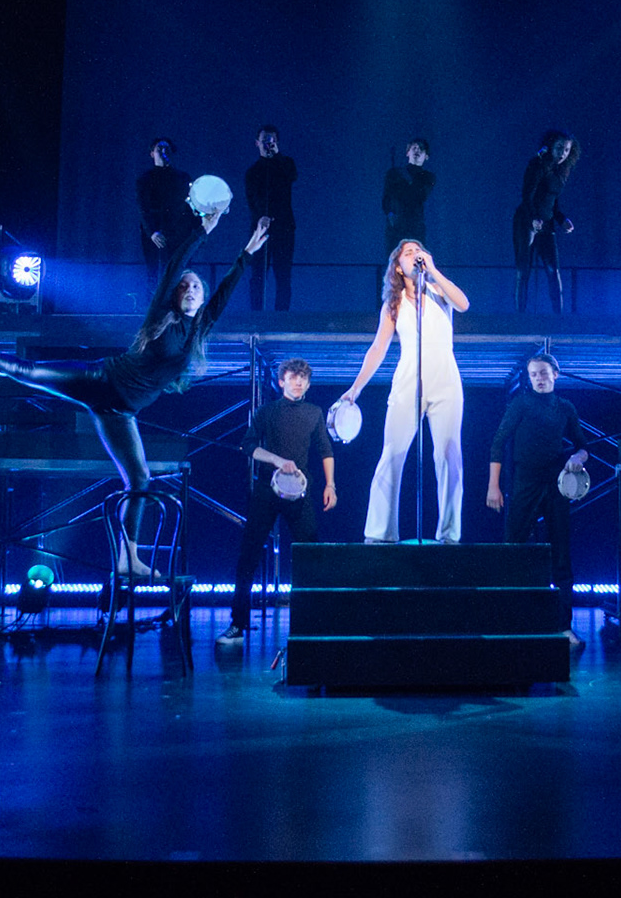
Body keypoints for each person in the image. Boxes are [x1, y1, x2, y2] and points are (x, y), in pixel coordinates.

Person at [0, 206, 270, 576]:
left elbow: (225, 291)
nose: (190, 289)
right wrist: (203, 230)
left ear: (201, 299)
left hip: (119, 413)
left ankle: (128, 558)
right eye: (184, 286)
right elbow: (174, 266)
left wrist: (247, 252)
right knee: (27, 371)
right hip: (99, 380)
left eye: (196, 286)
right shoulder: (160, 315)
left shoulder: (199, 328)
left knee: (140, 479)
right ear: (174, 294)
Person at [337, 240, 471, 543]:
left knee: (449, 455)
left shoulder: (439, 291)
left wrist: (433, 270)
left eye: (418, 250)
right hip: (409, 378)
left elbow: (463, 304)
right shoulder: (393, 304)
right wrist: (356, 387)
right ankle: (380, 532)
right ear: (398, 267)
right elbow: (378, 348)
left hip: (445, 378)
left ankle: (449, 534)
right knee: (393, 452)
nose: (415, 255)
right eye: (408, 252)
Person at [219, 358, 336, 645]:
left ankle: (313, 623)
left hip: (300, 493)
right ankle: (237, 624)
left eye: (303, 378)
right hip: (266, 491)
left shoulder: (314, 413)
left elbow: (325, 450)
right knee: (248, 555)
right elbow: (248, 445)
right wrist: (276, 460)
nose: (299, 382)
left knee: (310, 555)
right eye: (294, 377)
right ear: (282, 381)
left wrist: (330, 485)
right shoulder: (267, 411)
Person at [486, 352, 591, 645]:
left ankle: (563, 626)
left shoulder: (565, 407)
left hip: (556, 483)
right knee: (514, 549)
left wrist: (578, 457)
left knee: (561, 552)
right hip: (525, 482)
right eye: (533, 375)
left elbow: (583, 446)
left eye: (543, 373)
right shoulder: (520, 404)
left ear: (555, 374)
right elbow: (498, 442)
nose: (539, 379)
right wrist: (493, 486)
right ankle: (512, 623)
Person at [513, 130, 580, 312]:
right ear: (550, 146)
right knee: (524, 270)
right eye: (559, 148)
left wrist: (562, 219)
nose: (563, 153)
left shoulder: (561, 171)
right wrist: (533, 218)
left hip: (547, 222)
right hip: (527, 221)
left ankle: (558, 317)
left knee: (553, 270)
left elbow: (552, 201)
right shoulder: (538, 164)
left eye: (566, 150)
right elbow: (527, 195)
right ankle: (520, 316)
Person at [244, 124, 297, 310]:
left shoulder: (285, 164)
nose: (268, 143)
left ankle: (281, 315)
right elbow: (251, 199)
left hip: (284, 228)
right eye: (264, 140)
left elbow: (292, 175)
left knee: (283, 274)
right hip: (261, 229)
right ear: (257, 143)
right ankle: (257, 314)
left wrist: (277, 155)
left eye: (272, 140)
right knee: (258, 274)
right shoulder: (253, 171)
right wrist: (260, 217)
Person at [136, 137, 192, 294]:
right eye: (159, 149)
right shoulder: (145, 179)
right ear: (152, 153)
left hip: (178, 231)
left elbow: (189, 205)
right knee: (154, 272)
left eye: (167, 149)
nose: (163, 152)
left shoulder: (183, 177)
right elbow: (143, 207)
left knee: (178, 270)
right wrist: (152, 232)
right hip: (155, 232)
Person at [381, 138, 436, 253]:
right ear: (407, 153)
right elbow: (386, 199)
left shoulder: (428, 177)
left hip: (415, 225)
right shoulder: (394, 173)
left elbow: (420, 195)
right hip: (396, 224)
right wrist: (390, 214)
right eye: (414, 148)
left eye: (421, 149)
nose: (417, 150)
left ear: (426, 156)